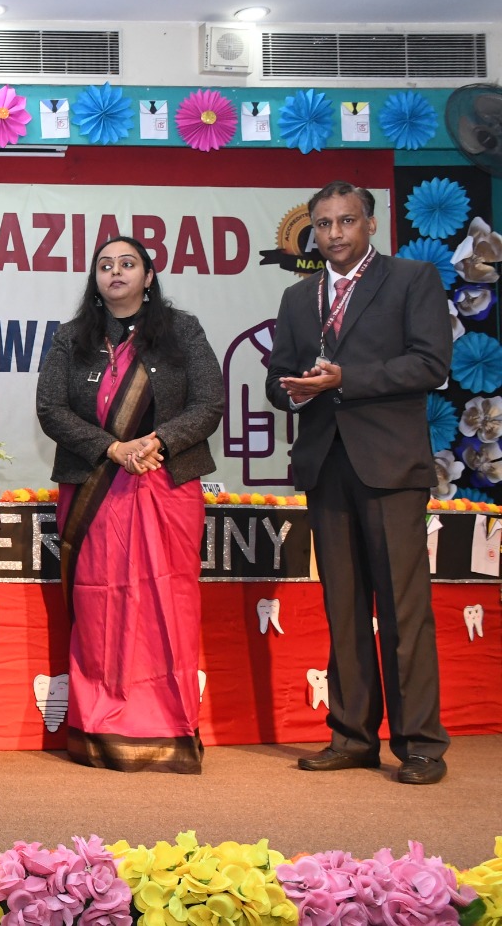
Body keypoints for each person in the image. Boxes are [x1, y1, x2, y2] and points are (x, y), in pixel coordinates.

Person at [266, 180, 452, 785]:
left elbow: (430, 364)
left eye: (346, 221)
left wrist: (346, 378)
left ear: (371, 224)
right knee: (342, 607)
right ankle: (352, 736)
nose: (335, 233)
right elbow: (277, 375)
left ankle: (420, 744)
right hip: (326, 464)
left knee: (402, 608)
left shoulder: (411, 279)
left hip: (390, 465)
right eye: (323, 224)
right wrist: (295, 391)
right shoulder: (299, 297)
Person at [35, 236, 223, 773]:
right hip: (95, 485)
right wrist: (112, 448)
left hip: (167, 484)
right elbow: (50, 409)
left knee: (168, 605)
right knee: (99, 608)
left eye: (127, 263)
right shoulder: (71, 338)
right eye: (104, 265)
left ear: (148, 275)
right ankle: (100, 730)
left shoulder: (182, 331)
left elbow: (209, 403)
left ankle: (170, 729)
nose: (115, 272)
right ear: (95, 279)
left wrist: (158, 441)